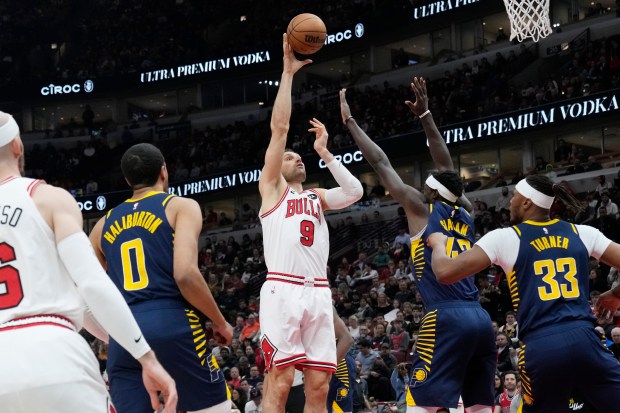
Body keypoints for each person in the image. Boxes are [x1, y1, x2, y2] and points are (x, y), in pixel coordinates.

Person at [0, 112, 177, 413]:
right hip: (55, 350)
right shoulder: (48, 199)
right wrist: (145, 357)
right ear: (17, 145)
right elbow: (92, 284)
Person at [340, 80, 495, 413]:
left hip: (446, 316)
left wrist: (351, 124)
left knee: (422, 405)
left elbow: (381, 163)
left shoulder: (420, 209)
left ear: (431, 189)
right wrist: (425, 114)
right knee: (479, 405)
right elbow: (447, 168)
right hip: (481, 319)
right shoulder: (465, 212)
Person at [428, 174, 620, 412]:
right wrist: (615, 294)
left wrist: (438, 245)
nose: (510, 202)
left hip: (542, 344)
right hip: (586, 340)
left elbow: (444, 272)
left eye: (515, 197)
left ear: (527, 202)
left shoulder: (506, 237)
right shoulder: (582, 232)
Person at [257, 34, 363, 413]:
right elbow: (280, 128)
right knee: (281, 381)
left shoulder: (316, 196)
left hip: (318, 291)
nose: (296, 158)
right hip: (282, 290)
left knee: (319, 386)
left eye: (300, 157)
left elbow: (354, 192)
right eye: (289, 157)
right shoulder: (272, 189)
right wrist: (287, 75)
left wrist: (325, 153)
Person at [89, 143, 233, 412]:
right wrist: (219, 321)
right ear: (164, 171)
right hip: (172, 322)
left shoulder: (101, 226)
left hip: (125, 334)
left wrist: (116, 332)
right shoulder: (180, 206)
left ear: (128, 180)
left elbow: (90, 293)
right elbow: (185, 274)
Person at [327, 307, 355, 413]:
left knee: (341, 405)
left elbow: (348, 340)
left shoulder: (325, 306)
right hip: (324, 361)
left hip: (339, 361)